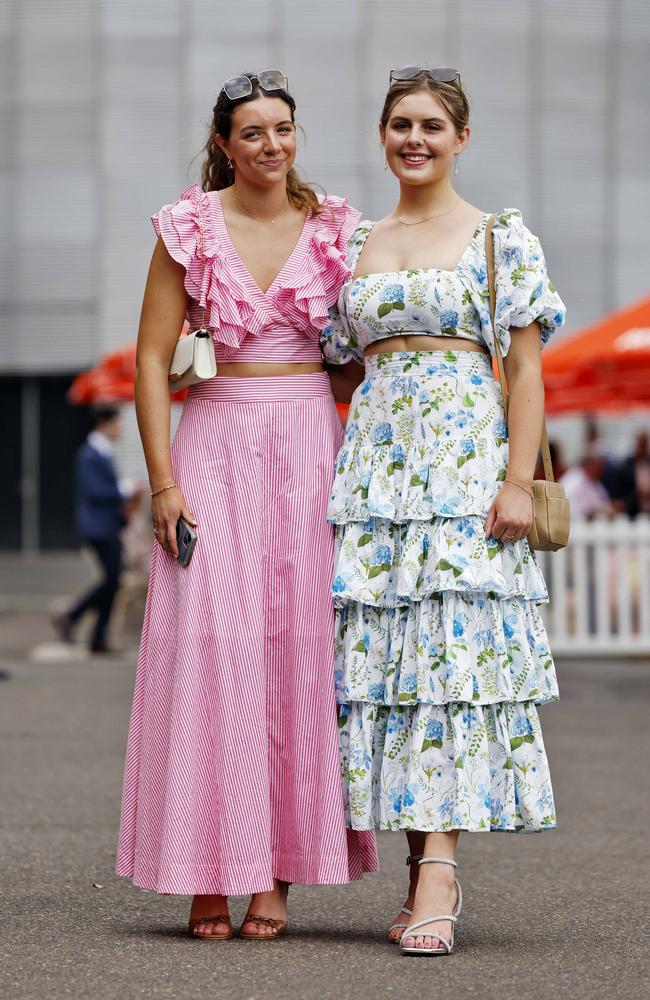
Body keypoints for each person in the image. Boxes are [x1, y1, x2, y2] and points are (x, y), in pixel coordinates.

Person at [115, 71, 378, 941]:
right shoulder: (187, 228)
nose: (273, 146)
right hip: (214, 442)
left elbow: (357, 356)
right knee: (209, 651)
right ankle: (203, 868)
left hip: (309, 439)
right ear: (224, 144)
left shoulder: (339, 228)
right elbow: (152, 359)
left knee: (300, 652)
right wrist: (162, 482)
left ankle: (274, 873)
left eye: (285, 130)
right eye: (254, 133)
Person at [322, 67, 566, 956]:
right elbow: (340, 364)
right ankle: (421, 859)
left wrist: (512, 478)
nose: (413, 139)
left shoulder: (500, 237)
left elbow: (527, 368)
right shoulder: (354, 238)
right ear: (382, 136)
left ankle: (440, 875)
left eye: (430, 124)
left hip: (463, 462)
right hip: (378, 468)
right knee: (393, 666)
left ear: (462, 137)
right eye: (398, 124)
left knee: (451, 660)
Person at [52, 406, 128, 653]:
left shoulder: (101, 452)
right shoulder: (90, 453)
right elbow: (95, 491)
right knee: (112, 581)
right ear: (105, 424)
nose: (121, 429)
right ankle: (72, 616)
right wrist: (124, 489)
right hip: (99, 527)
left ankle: (96, 637)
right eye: (118, 423)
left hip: (107, 526)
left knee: (113, 581)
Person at [559, 454, 614, 519]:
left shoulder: (595, 482)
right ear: (589, 465)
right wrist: (590, 511)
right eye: (598, 468)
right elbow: (565, 507)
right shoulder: (572, 480)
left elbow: (604, 503)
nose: (601, 471)